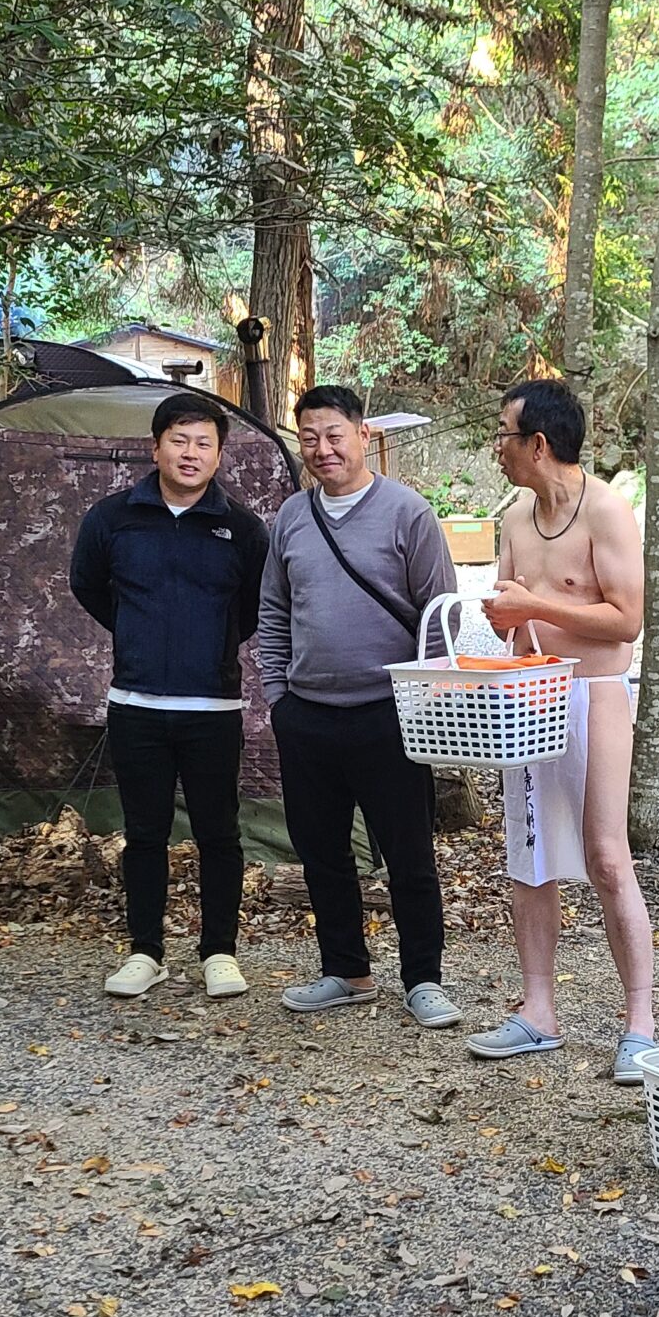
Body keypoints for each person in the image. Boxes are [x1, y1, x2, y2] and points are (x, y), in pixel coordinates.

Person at [464, 379, 658, 1079]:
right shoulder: (517, 516)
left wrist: (536, 605)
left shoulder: (606, 510)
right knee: (529, 853)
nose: (497, 447)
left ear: (538, 443)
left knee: (606, 855)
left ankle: (640, 1024)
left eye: (504, 434)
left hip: (595, 692)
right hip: (530, 691)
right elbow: (513, 610)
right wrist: (504, 619)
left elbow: (626, 620)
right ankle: (538, 1011)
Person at [258, 384, 462, 1028]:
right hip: (307, 714)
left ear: (363, 435)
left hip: (390, 713)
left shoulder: (408, 512)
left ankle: (423, 978)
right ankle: (346, 970)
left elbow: (441, 615)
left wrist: (427, 702)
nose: (323, 449)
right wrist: (278, 697)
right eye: (309, 438)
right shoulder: (292, 517)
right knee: (321, 852)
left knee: (408, 855)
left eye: (334, 435)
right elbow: (274, 611)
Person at [70, 390, 271, 1002]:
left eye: (203, 443)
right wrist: (141, 633)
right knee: (144, 834)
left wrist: (209, 643)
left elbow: (254, 607)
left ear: (219, 455)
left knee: (219, 834)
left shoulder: (241, 528)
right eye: (178, 440)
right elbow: (88, 586)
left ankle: (219, 952)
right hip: (137, 705)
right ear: (155, 447)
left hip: (213, 708)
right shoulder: (112, 519)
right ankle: (145, 951)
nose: (190, 453)